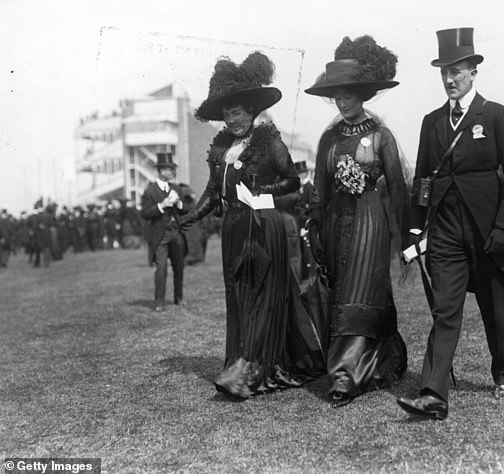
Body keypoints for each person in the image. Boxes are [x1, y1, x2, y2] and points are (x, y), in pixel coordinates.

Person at [180, 52, 327, 399]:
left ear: (251, 112)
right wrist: (190, 216)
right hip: (233, 229)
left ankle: (252, 369)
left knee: (262, 296)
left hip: (264, 228)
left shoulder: (270, 142)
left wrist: (265, 193)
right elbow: (212, 193)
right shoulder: (222, 150)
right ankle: (240, 359)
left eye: (238, 112)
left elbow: (292, 181)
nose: (232, 119)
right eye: (227, 114)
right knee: (239, 296)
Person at [397, 28, 504, 420]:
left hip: (489, 233)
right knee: (445, 310)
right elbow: (422, 179)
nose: (450, 79)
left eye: (457, 71)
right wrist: (415, 229)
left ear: (473, 72)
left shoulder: (496, 115)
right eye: (444, 72)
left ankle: (503, 374)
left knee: (494, 311)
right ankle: (433, 393)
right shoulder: (431, 122)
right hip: (447, 233)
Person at [305, 35, 409, 408]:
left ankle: (346, 376)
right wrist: (314, 225)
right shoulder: (329, 139)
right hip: (336, 224)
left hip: (370, 223)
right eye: (337, 96)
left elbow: (398, 188)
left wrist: (408, 235)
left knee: (362, 290)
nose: (342, 101)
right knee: (340, 291)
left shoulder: (381, 136)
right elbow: (319, 188)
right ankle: (354, 367)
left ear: (362, 95)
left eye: (348, 95)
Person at [140, 152, 188, 312]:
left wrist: (179, 204)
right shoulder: (150, 191)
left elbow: (187, 210)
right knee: (161, 268)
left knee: (179, 266)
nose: (172, 172)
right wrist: (163, 205)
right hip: (160, 235)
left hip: (175, 233)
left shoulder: (177, 189)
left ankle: (178, 297)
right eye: (169, 169)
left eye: (172, 169)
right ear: (160, 171)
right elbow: (145, 213)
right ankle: (159, 301)